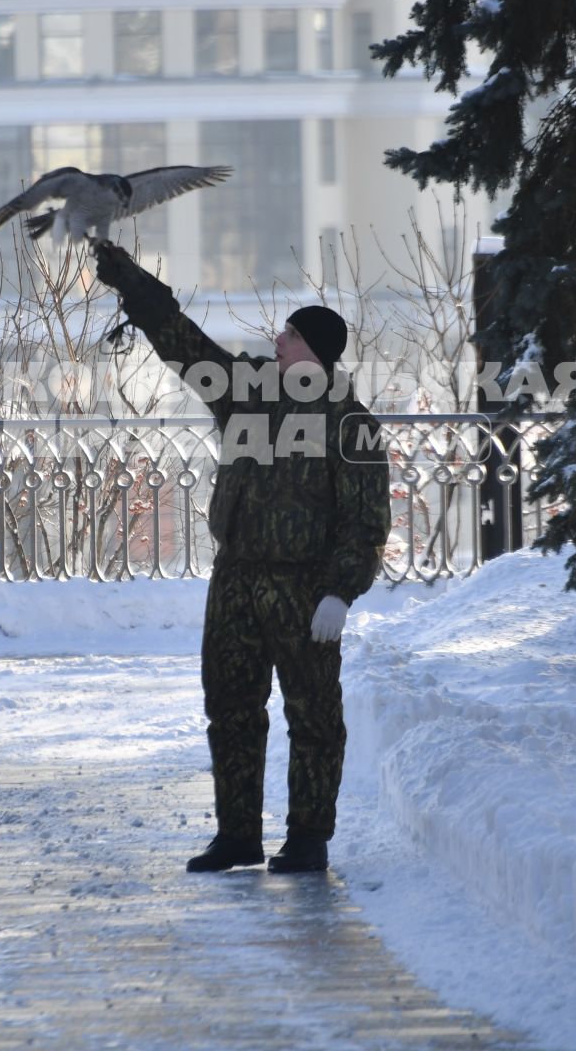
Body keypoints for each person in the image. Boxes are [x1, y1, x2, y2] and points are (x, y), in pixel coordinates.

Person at [92, 239, 392, 874]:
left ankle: (308, 838)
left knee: (313, 716)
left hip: (305, 589)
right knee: (230, 709)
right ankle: (238, 835)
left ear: (314, 350)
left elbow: (365, 524)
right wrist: (133, 287)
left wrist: (341, 590)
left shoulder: (350, 421)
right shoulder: (246, 395)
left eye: (288, 335)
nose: (276, 341)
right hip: (236, 580)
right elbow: (186, 346)